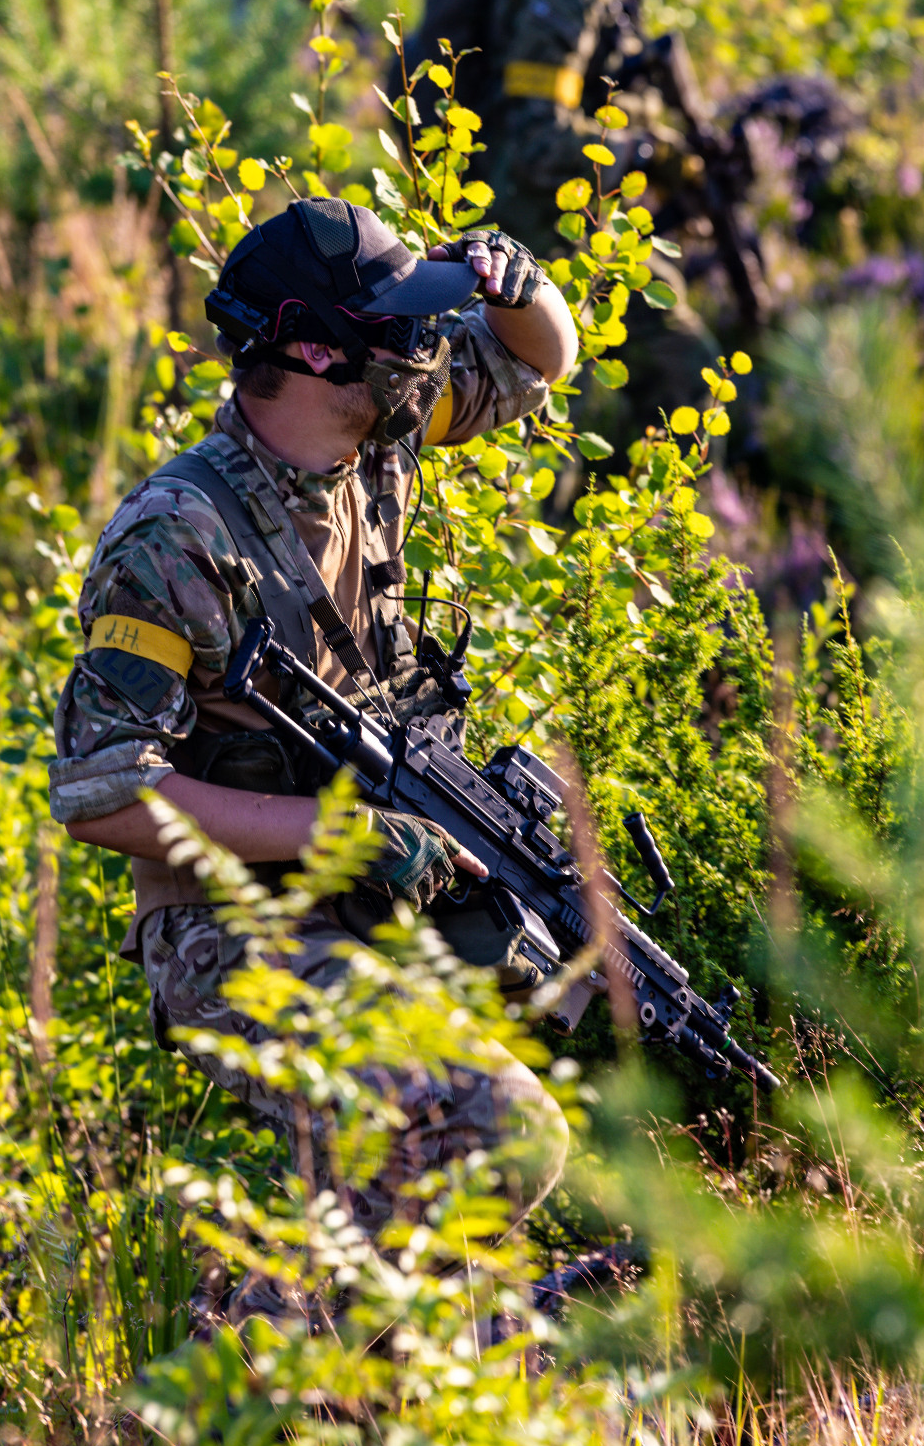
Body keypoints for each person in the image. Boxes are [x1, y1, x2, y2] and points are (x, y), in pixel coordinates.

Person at [49, 197, 579, 1252]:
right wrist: (346, 835)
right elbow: (102, 794)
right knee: (495, 1130)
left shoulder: (374, 436)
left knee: (520, 1118)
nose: (429, 345)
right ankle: (267, 1345)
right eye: (402, 327)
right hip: (234, 928)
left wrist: (518, 283)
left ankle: (358, 1354)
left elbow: (536, 361)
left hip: (370, 894)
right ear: (314, 350)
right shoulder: (174, 540)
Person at [467, 0, 730, 428]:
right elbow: (539, 139)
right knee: (671, 373)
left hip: (573, 223)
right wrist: (648, 153)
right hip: (530, 239)